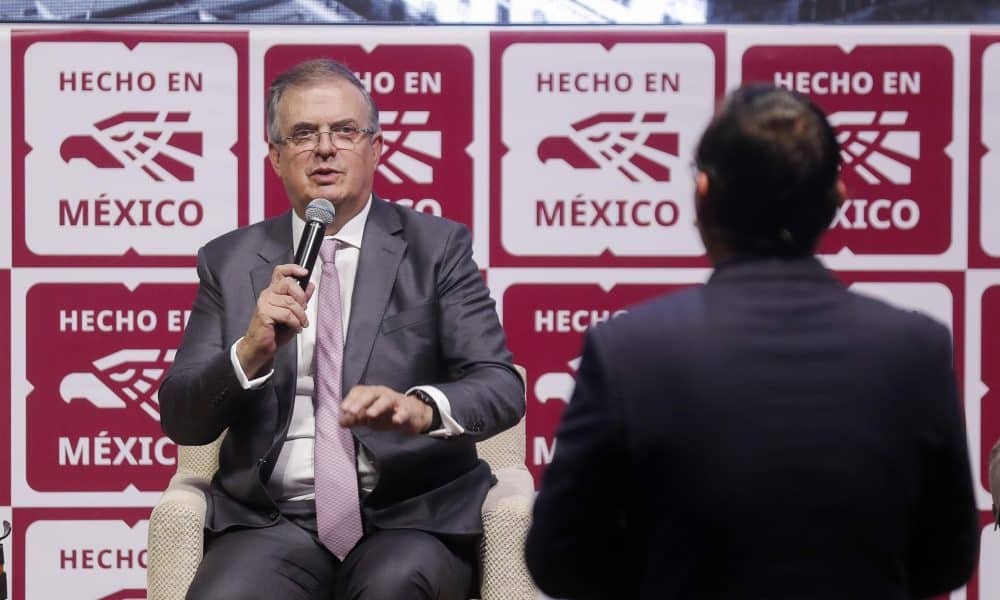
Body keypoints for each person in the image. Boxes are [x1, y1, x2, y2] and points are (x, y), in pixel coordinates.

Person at [524, 84, 979, 599]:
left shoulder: (627, 349)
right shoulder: (917, 347)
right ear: (838, 199)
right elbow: (948, 558)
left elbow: (559, 558)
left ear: (702, 195)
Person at [159, 58, 524, 600]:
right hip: (273, 524)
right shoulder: (230, 262)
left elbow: (500, 384)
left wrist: (422, 408)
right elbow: (182, 417)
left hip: (410, 516)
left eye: (345, 131)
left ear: (375, 148)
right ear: (276, 157)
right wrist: (250, 351)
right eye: (303, 134)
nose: (325, 148)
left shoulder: (436, 248)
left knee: (394, 587)